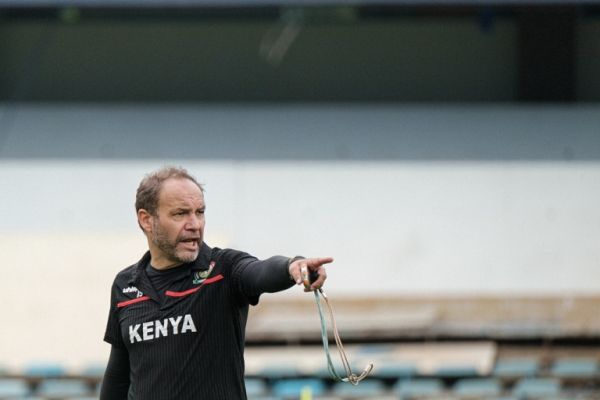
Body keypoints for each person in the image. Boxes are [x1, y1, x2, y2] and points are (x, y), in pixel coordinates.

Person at [100, 166, 332, 400]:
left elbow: (259, 271)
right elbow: (118, 377)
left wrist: (292, 267)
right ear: (146, 220)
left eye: (199, 212)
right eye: (180, 213)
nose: (195, 224)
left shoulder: (223, 269)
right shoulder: (125, 285)